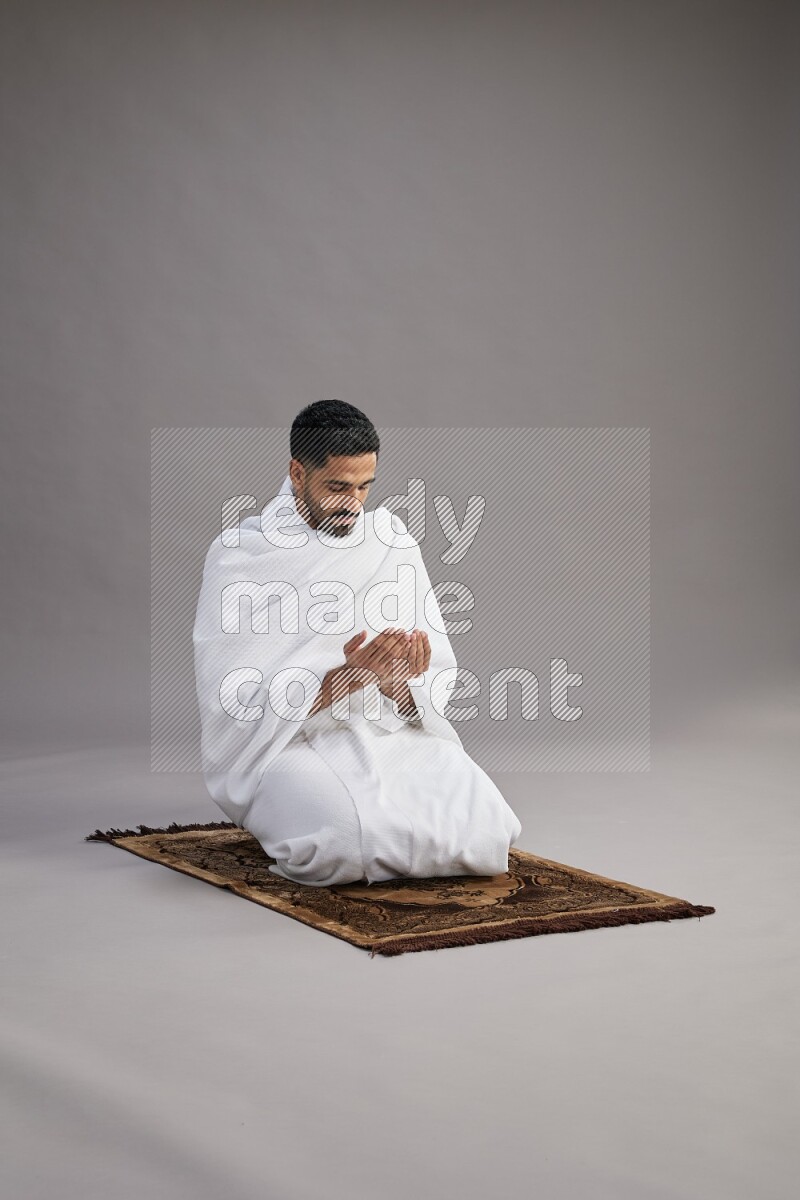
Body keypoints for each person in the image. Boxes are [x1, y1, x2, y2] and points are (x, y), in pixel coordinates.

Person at [192, 399, 523, 886]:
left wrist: (397, 682)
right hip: (284, 743)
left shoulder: (389, 540)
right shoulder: (240, 556)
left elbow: (432, 677)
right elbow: (231, 701)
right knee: (343, 843)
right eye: (338, 487)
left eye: (366, 486)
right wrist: (339, 680)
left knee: (489, 829)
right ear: (297, 472)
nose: (354, 503)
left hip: (382, 727)